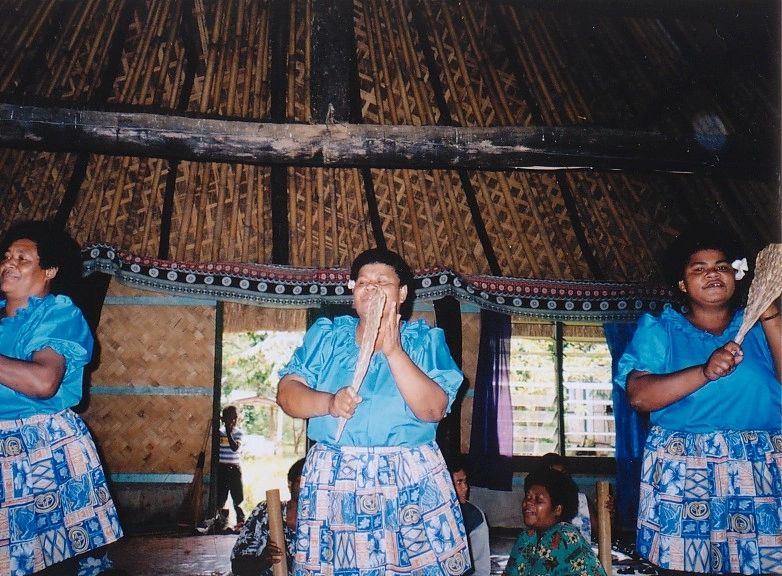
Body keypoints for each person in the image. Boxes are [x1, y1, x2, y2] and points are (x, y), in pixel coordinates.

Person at [276, 247, 470, 575]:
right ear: (353, 291)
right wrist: (328, 403)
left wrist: (394, 351)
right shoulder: (329, 337)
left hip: (408, 479)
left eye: (383, 281)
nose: (371, 288)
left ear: (403, 293)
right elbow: (286, 395)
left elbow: (435, 409)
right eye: (363, 281)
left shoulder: (424, 341)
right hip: (336, 478)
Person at [616, 227, 782, 575]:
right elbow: (639, 396)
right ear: (682, 283)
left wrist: (769, 314)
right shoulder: (660, 330)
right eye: (698, 268)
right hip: (684, 466)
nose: (712, 273)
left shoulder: (758, 327)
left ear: (737, 277)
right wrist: (704, 371)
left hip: (759, 465)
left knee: (762, 565)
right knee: (684, 567)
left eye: (722, 266)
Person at [0, 221, 123, 576]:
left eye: (23, 258)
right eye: (7, 256)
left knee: (46, 563)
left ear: (49, 270)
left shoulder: (58, 314)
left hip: (42, 451)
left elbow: (43, 382)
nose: (9, 262)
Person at [503, 468, 607, 576]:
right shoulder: (526, 537)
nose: (528, 503)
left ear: (557, 509)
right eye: (528, 497)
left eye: (538, 500)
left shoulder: (565, 537)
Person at [231, 458, 306, 576]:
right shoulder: (266, 512)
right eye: (300, 481)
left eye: (313, 484)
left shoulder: (324, 524)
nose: (306, 488)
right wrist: (263, 559)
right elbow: (237, 566)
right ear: (290, 485)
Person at [538, 453, 595, 543]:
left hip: (580, 554)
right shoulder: (540, 504)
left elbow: (600, 530)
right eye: (555, 475)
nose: (561, 479)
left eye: (564, 473)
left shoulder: (581, 500)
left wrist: (608, 513)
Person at [448, 457, 491, 576]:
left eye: (465, 482)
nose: (465, 488)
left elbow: (481, 569)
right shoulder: (428, 516)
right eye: (458, 483)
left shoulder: (474, 517)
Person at [217, 405, 245, 527]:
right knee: (221, 496)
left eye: (234, 417)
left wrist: (229, 432)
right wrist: (225, 431)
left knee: (238, 497)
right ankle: (221, 521)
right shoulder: (219, 433)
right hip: (222, 468)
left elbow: (234, 448)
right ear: (224, 419)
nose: (232, 420)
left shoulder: (239, 433)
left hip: (234, 468)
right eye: (228, 418)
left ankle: (240, 522)